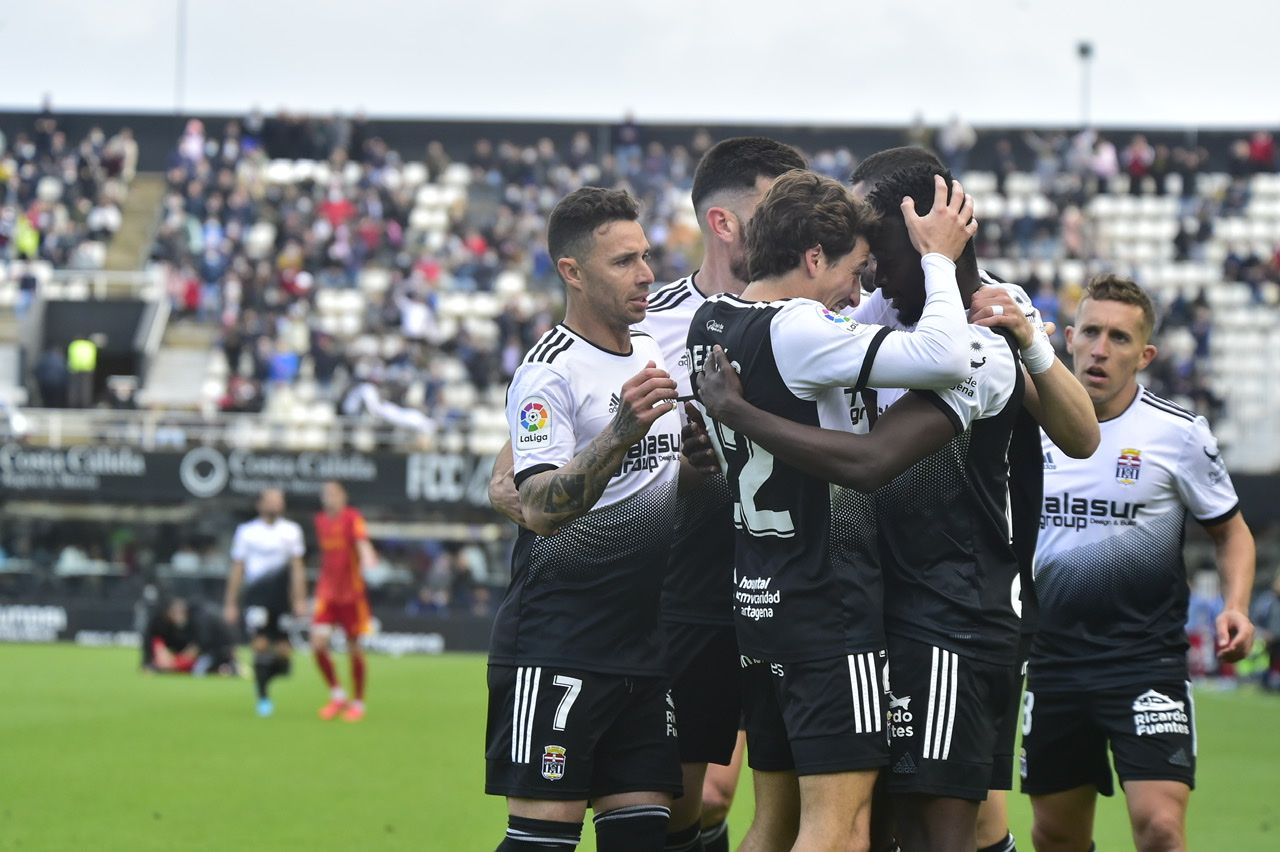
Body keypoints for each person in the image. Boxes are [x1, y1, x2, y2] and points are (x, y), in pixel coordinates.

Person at [685, 169, 977, 852]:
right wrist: (938, 259)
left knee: (772, 822)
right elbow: (947, 355)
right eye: (854, 268)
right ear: (813, 257)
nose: (861, 289)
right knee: (838, 825)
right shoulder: (801, 328)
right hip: (827, 602)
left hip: (758, 600)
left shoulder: (714, 319)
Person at [849, 146, 1100, 852]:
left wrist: (1034, 345)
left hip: (962, 611)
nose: (863, 257)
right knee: (900, 821)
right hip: (879, 608)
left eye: (874, 236)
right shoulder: (865, 313)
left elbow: (1081, 437)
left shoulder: (995, 314)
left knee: (949, 823)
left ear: (926, 228)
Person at [1023, 275, 1257, 852]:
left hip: (1144, 661)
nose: (1102, 349)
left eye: (1120, 338)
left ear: (1145, 355)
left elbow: (1232, 533)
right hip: (1051, 660)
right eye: (1093, 333)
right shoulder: (1025, 426)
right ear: (1070, 338)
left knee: (1159, 829)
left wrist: (1236, 608)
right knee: (1054, 835)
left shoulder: (1177, 434)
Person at [484, 187, 685, 851]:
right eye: (624, 262)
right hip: (560, 642)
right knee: (541, 841)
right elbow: (538, 506)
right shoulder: (549, 371)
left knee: (643, 841)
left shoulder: (655, 348)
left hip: (644, 645)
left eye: (646, 257)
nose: (647, 274)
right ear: (572, 271)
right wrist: (620, 433)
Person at [638, 136, 805, 852]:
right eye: (777, 208)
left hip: (798, 588)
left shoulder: (820, 318)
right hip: (688, 589)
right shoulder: (650, 323)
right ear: (724, 223)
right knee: (685, 798)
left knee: (776, 798)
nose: (796, 226)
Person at [223, 489, 307, 717]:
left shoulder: (291, 531)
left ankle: (265, 678)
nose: (275, 504)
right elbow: (238, 567)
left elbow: (298, 568)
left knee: (284, 655)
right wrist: (230, 602)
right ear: (260, 504)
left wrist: (300, 599)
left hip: (281, 598)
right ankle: (262, 698)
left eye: (279, 500)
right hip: (256, 596)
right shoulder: (247, 532)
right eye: (271, 500)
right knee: (259, 645)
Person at [312, 481, 377, 723]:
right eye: (326, 494)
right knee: (318, 644)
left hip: (351, 595)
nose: (330, 498)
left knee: (354, 648)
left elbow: (361, 541)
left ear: (343, 496)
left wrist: (368, 556)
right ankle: (338, 695)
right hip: (327, 594)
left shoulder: (352, 518)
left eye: (334, 494)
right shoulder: (320, 521)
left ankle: (358, 702)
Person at [143, 598, 199, 674]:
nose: (178, 615)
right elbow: (153, 642)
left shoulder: (193, 623)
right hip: (167, 654)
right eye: (175, 612)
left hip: (183, 656)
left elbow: (195, 646)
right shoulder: (159, 623)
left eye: (181, 612)